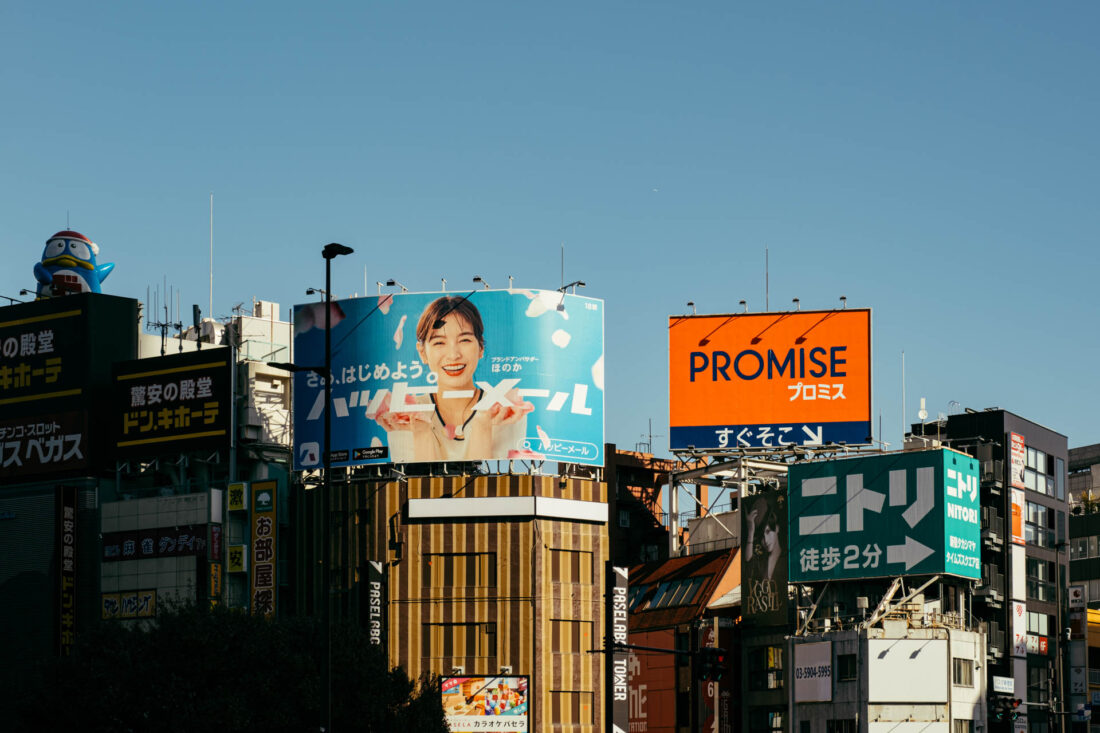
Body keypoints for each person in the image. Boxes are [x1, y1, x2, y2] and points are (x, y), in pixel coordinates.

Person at [373, 295, 531, 462]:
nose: (454, 355)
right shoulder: (403, 414)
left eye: (464, 340)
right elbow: (417, 486)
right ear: (422, 353)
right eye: (439, 343)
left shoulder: (505, 411)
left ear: (481, 348)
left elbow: (488, 486)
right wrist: (421, 432)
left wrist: (482, 425)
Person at [744, 496, 783, 581]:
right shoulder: (761, 562)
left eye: (768, 532)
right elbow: (748, 560)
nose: (765, 540)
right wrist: (751, 532)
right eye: (762, 536)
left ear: (776, 528)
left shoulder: (786, 559)